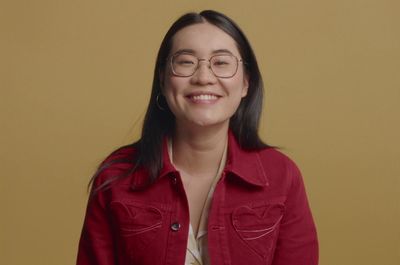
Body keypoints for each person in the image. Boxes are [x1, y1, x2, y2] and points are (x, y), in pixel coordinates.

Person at [77, 10, 318, 265]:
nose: (203, 77)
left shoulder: (281, 176)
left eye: (221, 62)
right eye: (186, 61)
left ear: (246, 82)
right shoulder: (116, 176)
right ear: (162, 79)